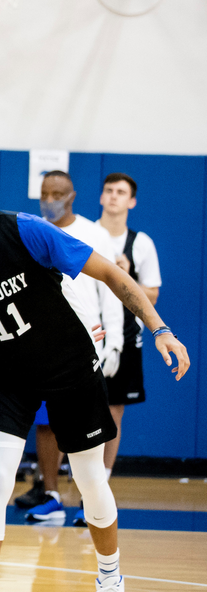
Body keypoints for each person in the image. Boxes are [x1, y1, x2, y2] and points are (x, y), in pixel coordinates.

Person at [0, 150, 190, 592]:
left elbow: (110, 272)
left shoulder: (25, 230)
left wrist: (159, 328)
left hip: (69, 366)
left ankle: (110, 582)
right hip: (8, 376)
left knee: (89, 479)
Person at [23, 171, 124, 526]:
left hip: (88, 344)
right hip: (44, 343)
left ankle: (89, 500)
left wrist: (115, 343)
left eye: (57, 193)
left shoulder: (95, 234)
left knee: (88, 422)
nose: (50, 199)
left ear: (72, 196)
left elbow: (111, 289)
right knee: (47, 423)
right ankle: (50, 494)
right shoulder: (31, 230)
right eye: (44, 193)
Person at [96, 174, 161, 476]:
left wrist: (126, 277)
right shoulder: (85, 234)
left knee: (113, 411)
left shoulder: (141, 243)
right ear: (100, 197)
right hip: (88, 332)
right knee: (73, 408)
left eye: (121, 192)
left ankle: (102, 480)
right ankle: (55, 484)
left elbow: (153, 295)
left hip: (124, 335)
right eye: (108, 190)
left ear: (131, 201)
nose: (113, 196)